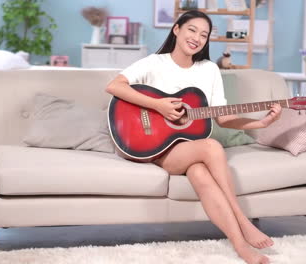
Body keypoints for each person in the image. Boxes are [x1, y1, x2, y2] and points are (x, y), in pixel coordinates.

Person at [106, 10, 281, 264]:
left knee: (200, 173)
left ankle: (241, 247)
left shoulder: (209, 70)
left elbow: (223, 117)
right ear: (176, 29)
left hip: (186, 150)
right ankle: (243, 221)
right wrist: (158, 106)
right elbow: (114, 86)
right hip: (154, 147)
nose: (197, 38)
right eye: (192, 30)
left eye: (204, 35)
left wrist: (261, 121)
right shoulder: (155, 62)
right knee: (210, 146)